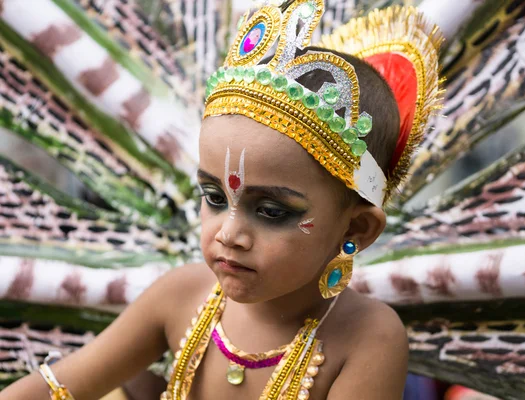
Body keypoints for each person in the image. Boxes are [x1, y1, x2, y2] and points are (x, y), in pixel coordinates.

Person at [0, 1, 441, 399]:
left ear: (355, 229)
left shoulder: (367, 338)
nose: (229, 233)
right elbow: (55, 387)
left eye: (271, 211)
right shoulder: (181, 295)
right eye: (213, 196)